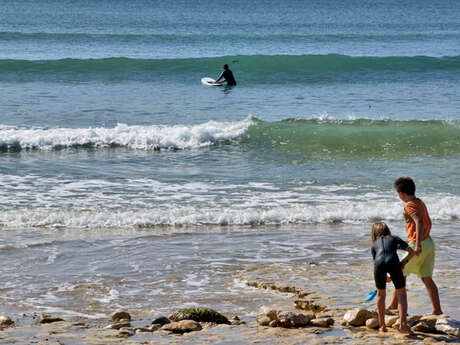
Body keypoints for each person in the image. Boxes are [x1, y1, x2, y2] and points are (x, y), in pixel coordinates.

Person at [388, 177, 443, 316]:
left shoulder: (409, 205)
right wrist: (425, 238)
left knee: (400, 274)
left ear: (401, 193)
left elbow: (419, 221)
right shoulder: (420, 202)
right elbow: (428, 221)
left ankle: (394, 306)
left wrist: (417, 244)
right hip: (429, 243)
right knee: (426, 277)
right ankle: (437, 310)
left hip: (417, 244)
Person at [371, 222, 415, 334]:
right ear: (388, 230)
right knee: (401, 293)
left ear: (374, 233)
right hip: (393, 263)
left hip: (379, 265)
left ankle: (382, 326)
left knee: (381, 294)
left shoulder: (374, 244)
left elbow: (377, 262)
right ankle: (403, 324)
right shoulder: (394, 238)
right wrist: (403, 263)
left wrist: (385, 276)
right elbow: (411, 252)